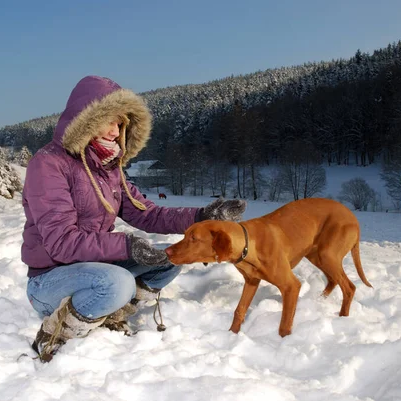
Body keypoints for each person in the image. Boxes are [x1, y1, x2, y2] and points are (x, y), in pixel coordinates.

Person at [21, 76, 246, 362]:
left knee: (171, 258)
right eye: (110, 122)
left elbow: (148, 213)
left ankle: (112, 312)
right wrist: (126, 246)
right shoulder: (49, 164)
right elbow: (61, 243)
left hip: (94, 268)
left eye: (121, 124)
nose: (116, 131)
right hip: (49, 280)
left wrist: (202, 216)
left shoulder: (108, 168)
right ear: (87, 119)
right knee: (118, 283)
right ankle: (55, 332)